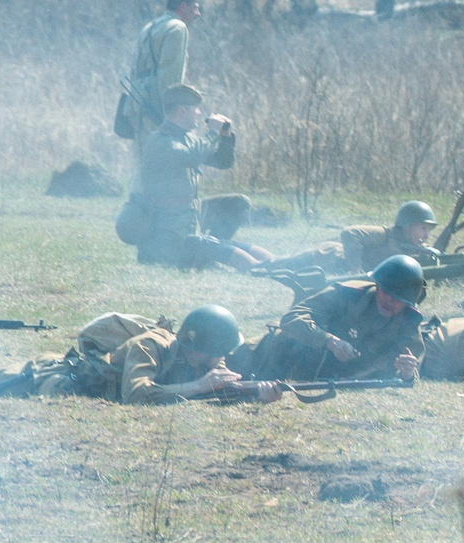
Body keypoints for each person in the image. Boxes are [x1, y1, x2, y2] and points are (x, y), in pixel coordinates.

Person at [0, 306, 283, 404]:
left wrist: (254, 393)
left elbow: (217, 390)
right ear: (198, 349)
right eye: (217, 354)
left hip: (67, 381)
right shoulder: (150, 345)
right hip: (53, 377)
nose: (221, 360)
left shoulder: (204, 359)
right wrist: (199, 386)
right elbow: (137, 395)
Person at [114, 86, 273, 270]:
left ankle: (213, 250)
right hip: (168, 228)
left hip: (189, 215)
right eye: (196, 109)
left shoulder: (189, 138)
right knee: (205, 247)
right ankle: (211, 255)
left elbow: (222, 162)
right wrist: (212, 133)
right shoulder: (159, 141)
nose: (199, 113)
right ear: (183, 111)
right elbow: (192, 156)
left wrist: (225, 138)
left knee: (238, 203)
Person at [246, 254, 428, 383]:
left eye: (398, 298)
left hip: (328, 378)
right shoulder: (347, 295)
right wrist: (329, 341)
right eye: (387, 292)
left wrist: (407, 372)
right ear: (378, 286)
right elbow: (291, 319)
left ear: (408, 303)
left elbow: (412, 371)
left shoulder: (408, 322)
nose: (390, 301)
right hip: (271, 356)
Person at [260, 201, 440, 288]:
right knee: (270, 266)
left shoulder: (409, 246)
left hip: (330, 266)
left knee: (275, 263)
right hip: (324, 257)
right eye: (423, 228)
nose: (426, 235)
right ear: (407, 226)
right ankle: (243, 251)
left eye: (428, 230)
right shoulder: (385, 235)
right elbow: (349, 233)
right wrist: (356, 268)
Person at [121, 0, 201, 137]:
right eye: (195, 8)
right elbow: (171, 78)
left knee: (143, 151)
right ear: (183, 7)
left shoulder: (151, 26)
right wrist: (172, 117)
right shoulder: (178, 28)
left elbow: (134, 70)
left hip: (138, 103)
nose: (198, 14)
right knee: (164, 151)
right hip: (156, 107)